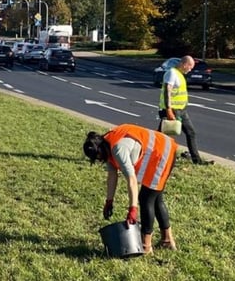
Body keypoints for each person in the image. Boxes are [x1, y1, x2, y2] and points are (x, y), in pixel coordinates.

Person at [83, 125, 179, 254]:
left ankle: (146, 246)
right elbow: (112, 176)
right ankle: (167, 241)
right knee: (155, 198)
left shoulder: (118, 149)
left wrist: (133, 210)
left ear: (100, 148)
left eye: (98, 156)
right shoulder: (106, 144)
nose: (100, 160)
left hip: (162, 153)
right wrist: (109, 201)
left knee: (145, 199)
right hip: (160, 150)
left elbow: (131, 179)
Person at [159, 55, 213, 165]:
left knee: (190, 132)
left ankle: (196, 160)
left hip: (181, 110)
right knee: (163, 135)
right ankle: (155, 155)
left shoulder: (179, 74)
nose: (190, 70)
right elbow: (167, 91)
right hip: (172, 110)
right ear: (184, 64)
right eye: (190, 67)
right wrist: (169, 110)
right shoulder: (172, 73)